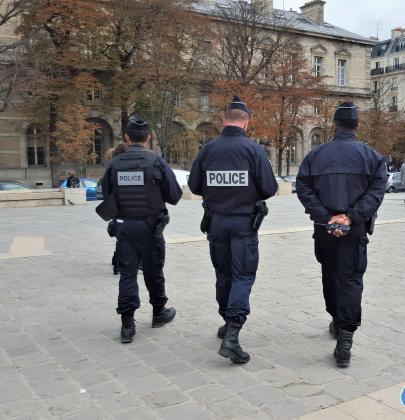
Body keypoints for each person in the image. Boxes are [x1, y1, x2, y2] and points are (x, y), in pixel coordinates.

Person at [295, 102, 386, 368]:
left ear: (334, 126)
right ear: (357, 126)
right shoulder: (371, 157)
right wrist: (351, 216)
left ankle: (337, 320)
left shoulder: (316, 155)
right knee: (351, 280)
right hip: (354, 229)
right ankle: (345, 336)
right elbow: (376, 193)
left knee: (330, 275)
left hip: (325, 229)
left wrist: (326, 216)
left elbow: (303, 188)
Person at [188, 96, 278, 365]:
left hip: (216, 223)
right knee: (242, 275)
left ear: (224, 120)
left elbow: (194, 186)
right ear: (246, 123)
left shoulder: (208, 149)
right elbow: (269, 189)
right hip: (243, 225)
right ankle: (233, 334)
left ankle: (227, 321)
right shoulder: (253, 150)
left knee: (223, 274)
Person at [101, 115, 182, 344]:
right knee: (154, 270)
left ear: (126, 137)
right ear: (149, 137)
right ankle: (158, 313)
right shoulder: (156, 162)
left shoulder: (115, 164)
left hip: (125, 227)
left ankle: (127, 324)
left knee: (127, 273)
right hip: (150, 227)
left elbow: (105, 194)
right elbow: (174, 196)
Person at [105, 144, 129, 276]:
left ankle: (116, 264)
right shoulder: (121, 166)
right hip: (127, 210)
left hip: (117, 209)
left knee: (121, 239)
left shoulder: (112, 166)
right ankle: (118, 263)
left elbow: (106, 192)